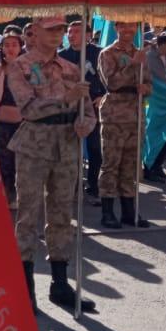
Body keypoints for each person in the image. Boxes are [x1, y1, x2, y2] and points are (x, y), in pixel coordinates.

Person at [5, 16, 97, 313]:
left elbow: (88, 108)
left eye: (61, 29)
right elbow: (28, 108)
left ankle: (60, 284)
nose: (58, 34)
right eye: (51, 29)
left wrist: (86, 123)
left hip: (67, 144)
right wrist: (65, 99)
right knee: (28, 214)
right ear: (34, 31)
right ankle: (25, 287)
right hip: (34, 144)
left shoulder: (71, 68)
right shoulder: (20, 66)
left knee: (61, 214)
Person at [97, 22, 152, 228]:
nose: (128, 30)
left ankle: (129, 211)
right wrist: (132, 64)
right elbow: (111, 82)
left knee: (130, 164)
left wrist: (145, 88)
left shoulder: (140, 53)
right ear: (117, 28)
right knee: (111, 164)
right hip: (115, 115)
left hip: (136, 115)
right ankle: (107, 212)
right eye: (124, 26)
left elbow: (150, 82)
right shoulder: (107, 53)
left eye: (132, 27)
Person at [59, 20, 106, 198]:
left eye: (76, 32)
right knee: (71, 149)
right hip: (71, 106)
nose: (71, 35)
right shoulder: (62, 55)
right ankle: (74, 185)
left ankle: (93, 184)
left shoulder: (99, 53)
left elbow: (108, 77)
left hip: (93, 104)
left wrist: (103, 95)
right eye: (69, 32)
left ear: (88, 35)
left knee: (95, 148)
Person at [0, 31, 24, 206]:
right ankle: (6, 195)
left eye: (14, 45)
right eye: (7, 45)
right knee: (3, 159)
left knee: (20, 160)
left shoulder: (30, 68)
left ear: (20, 47)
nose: (10, 48)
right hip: (0, 121)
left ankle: (19, 195)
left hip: (23, 121)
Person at [143, 31, 166, 182]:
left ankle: (158, 166)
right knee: (152, 134)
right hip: (153, 101)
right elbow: (146, 78)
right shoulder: (147, 55)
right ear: (164, 44)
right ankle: (148, 168)